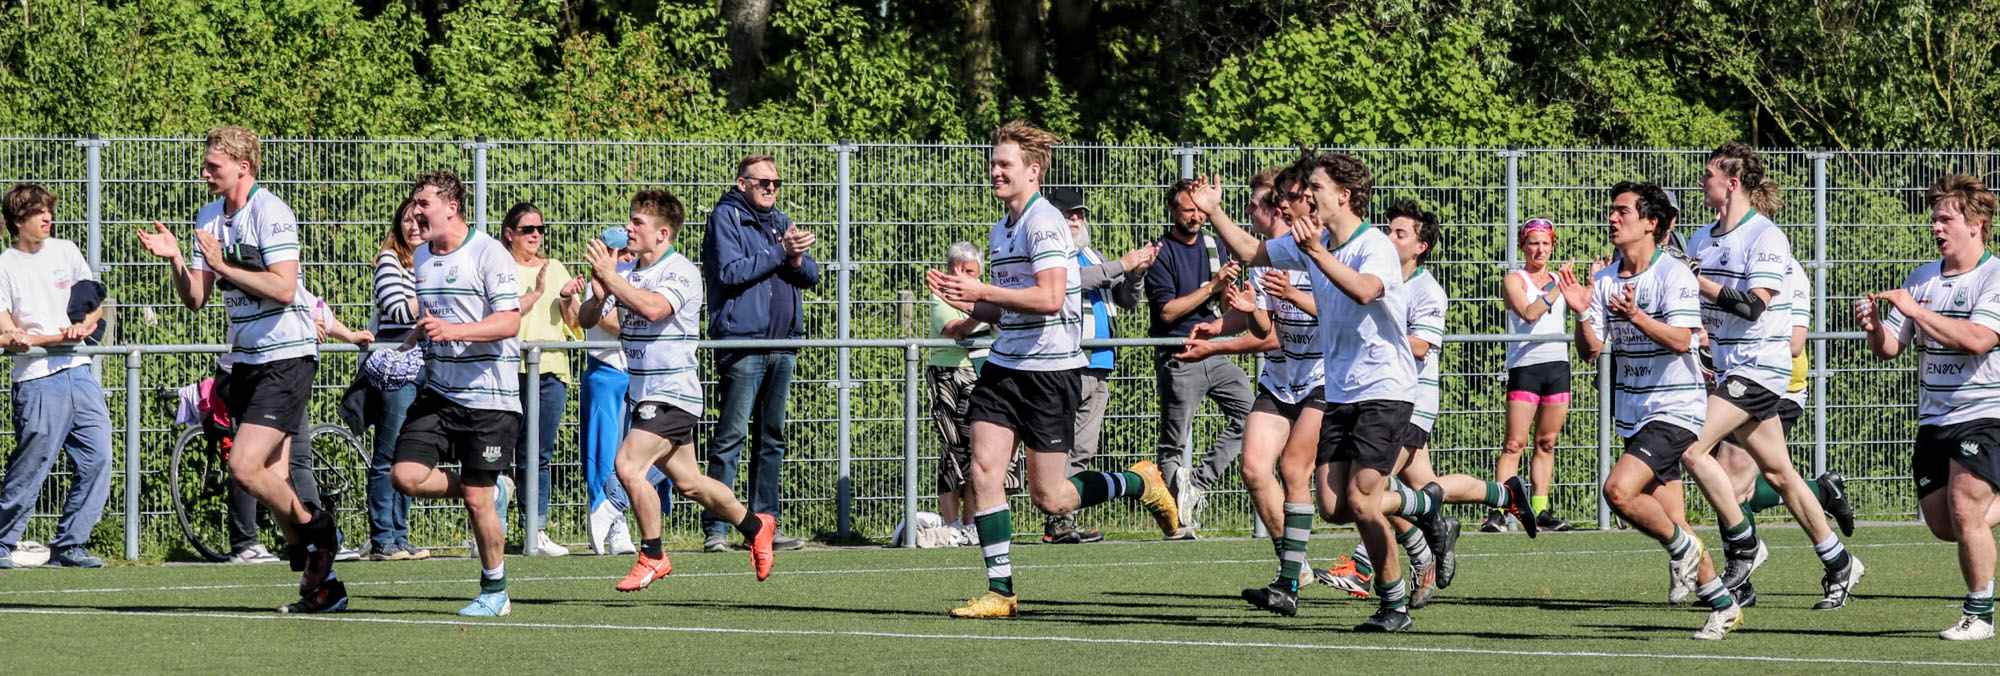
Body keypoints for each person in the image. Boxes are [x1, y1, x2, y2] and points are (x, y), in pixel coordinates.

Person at [926, 120, 1180, 618]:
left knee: (1053, 498)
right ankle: (1001, 592)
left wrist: (980, 291)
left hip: (1049, 373)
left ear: (1033, 172)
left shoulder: (1044, 223)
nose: (995, 171)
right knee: (983, 471)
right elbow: (1006, 310)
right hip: (1004, 367)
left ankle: (1139, 481)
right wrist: (966, 301)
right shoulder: (1001, 229)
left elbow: (1048, 297)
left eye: (1005, 164)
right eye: (993, 163)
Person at [1196, 154, 1450, 633]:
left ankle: (1393, 605)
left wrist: (1316, 253)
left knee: (1363, 501)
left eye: (1315, 187)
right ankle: (1424, 504)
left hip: (1385, 390)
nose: (1305, 195)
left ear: (1343, 196)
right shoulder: (1318, 243)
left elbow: (1365, 290)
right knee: (1334, 507)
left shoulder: (1372, 245)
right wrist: (1214, 211)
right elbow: (1252, 251)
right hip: (1341, 391)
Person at [135, 126, 345, 613]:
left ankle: (319, 532)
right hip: (246, 359)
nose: (205, 172)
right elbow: (196, 299)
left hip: (286, 356)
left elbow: (285, 289)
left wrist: (224, 266)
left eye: (214, 165)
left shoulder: (271, 212)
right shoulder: (208, 216)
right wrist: (176, 259)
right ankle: (325, 586)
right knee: (273, 475)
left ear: (242, 167)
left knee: (244, 467)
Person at [1677, 142, 1861, 610]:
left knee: (1691, 444)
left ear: (1732, 183)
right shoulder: (1700, 239)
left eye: (1708, 175)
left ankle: (1745, 544)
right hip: (1729, 368)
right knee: (1780, 474)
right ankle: (1839, 561)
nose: (1701, 181)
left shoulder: (1766, 237)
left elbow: (1752, 306)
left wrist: (1697, 281)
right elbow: (1696, 306)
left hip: (1760, 367)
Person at [1557, 180, 1743, 640]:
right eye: (1612, 210)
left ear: (1650, 223)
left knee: (1618, 492)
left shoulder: (1673, 274)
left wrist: (1637, 316)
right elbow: (1591, 351)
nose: (1612, 218)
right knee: (1674, 521)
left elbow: (1682, 339)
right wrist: (1580, 313)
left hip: (1675, 408)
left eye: (1622, 211)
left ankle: (1683, 550)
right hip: (1634, 411)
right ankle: (1723, 605)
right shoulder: (1604, 280)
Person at [586, 190, 776, 592]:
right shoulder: (627, 272)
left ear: (662, 233)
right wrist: (599, 289)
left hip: (672, 393)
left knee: (628, 467)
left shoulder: (680, 271)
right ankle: (755, 527)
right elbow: (585, 319)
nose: (628, 228)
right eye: (630, 219)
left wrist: (612, 278)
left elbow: (654, 309)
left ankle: (653, 554)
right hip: (645, 394)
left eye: (638, 222)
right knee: (691, 483)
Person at [1171, 166, 1328, 614]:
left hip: (1325, 378)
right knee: (1255, 470)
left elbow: (1277, 334)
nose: (1252, 209)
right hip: (1280, 381)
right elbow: (1260, 324)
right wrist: (1220, 325)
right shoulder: (1265, 258)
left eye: (1257, 203)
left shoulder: (1324, 249)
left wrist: (1217, 346)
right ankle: (1292, 570)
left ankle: (1420, 528)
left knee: (1340, 497)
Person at [1856, 174, 2000, 640]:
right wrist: (1874, 328)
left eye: (1946, 219)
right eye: (1934, 219)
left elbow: (1978, 340)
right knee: (1944, 523)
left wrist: (1916, 311)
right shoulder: (1921, 278)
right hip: (1935, 418)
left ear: (1976, 224)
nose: (1936, 227)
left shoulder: (1994, 277)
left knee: (1965, 508)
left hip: (1985, 413)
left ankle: (1979, 614)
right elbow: (1890, 349)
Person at [388, 170, 523, 617]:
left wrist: (453, 331)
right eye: (414, 203)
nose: (415, 211)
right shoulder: (422, 257)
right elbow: (437, 316)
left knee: (476, 500)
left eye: (423, 203)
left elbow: (509, 321)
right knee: (404, 476)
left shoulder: (489, 253)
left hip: (490, 399)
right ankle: (488, 489)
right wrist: (414, 337)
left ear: (452, 208)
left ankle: (495, 592)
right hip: (441, 393)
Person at [1712, 254, 1855, 605]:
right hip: (1736, 379)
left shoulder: (1785, 267)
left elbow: (1794, 344)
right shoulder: (1725, 253)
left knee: (1726, 478)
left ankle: (1742, 566)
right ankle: (1828, 519)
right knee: (1762, 478)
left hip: (1777, 386)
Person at [701, 154, 818, 553]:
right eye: (763, 182)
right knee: (730, 437)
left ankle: (765, 524)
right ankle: (717, 527)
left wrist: (796, 258)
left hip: (782, 345)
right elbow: (730, 273)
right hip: (743, 345)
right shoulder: (726, 219)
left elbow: (811, 276)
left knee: (772, 438)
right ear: (742, 183)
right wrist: (780, 252)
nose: (771, 188)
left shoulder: (782, 222)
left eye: (776, 183)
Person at [0, 184, 112, 570]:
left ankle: (69, 545)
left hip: (79, 371)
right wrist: (29, 338)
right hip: (36, 378)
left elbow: (95, 307)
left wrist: (84, 325)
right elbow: (7, 331)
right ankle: (2, 540)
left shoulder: (66, 251)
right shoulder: (6, 265)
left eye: (48, 210)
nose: (47, 217)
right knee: (32, 465)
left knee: (98, 457)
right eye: (38, 212)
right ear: (18, 221)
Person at [223, 284, 372, 563]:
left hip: (284, 372)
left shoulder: (283, 273)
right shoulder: (242, 276)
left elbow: (315, 307)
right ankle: (258, 541)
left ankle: (315, 542)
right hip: (247, 372)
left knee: (291, 462)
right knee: (247, 466)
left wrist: (350, 335)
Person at [1045, 187, 1156, 544]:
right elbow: (1075, 282)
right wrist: (1121, 265)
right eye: (1069, 214)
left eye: (1080, 213)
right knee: (1059, 447)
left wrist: (1136, 273)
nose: (1076, 219)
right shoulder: (1054, 254)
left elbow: (1126, 300)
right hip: (1069, 365)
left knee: (1083, 450)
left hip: (1100, 365)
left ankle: (1066, 519)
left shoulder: (1093, 254)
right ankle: (1057, 520)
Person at [1146, 178, 1255, 534]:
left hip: (1213, 349)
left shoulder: (1213, 243)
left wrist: (1231, 295)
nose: (1195, 216)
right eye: (1187, 210)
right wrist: (1212, 286)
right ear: (1172, 210)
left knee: (1252, 414)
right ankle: (1176, 521)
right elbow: (1167, 312)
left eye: (1200, 210)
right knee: (1173, 443)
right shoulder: (1161, 252)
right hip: (1179, 354)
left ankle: (1197, 482)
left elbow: (1224, 305)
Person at [569, 227, 673, 556]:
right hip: (607, 374)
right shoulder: (600, 284)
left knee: (656, 452)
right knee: (606, 454)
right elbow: (610, 323)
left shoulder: (636, 279)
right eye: (619, 253)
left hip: (638, 376)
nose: (627, 257)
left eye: (628, 251)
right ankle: (614, 523)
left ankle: (616, 510)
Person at [500, 202, 581, 557]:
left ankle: (536, 529)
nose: (535, 235)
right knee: (497, 453)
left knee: (538, 453)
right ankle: (492, 529)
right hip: (507, 370)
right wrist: (533, 294)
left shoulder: (556, 268)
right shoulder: (499, 267)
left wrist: (566, 297)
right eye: (527, 229)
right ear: (509, 234)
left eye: (540, 229)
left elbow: (575, 323)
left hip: (550, 371)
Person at [1490, 217, 1571, 534]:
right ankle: (1499, 511)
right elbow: (1529, 313)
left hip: (1557, 366)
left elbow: (1584, 306)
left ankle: (1539, 510)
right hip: (1525, 367)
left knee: (1547, 443)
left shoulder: (1561, 279)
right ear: (1523, 246)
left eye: (1545, 243)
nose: (1540, 249)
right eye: (1533, 243)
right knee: (1514, 443)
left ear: (1552, 247)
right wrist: (1559, 288)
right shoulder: (1515, 279)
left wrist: (1593, 283)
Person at [361, 197, 428, 561]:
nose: (414, 226)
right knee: (387, 453)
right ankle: (382, 537)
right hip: (397, 368)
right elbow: (399, 311)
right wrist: (433, 288)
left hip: (427, 366)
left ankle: (400, 535)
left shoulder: (433, 261)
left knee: (409, 455)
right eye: (407, 220)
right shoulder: (390, 260)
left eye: (421, 220)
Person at [928, 240, 999, 546]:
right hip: (947, 375)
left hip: (981, 374)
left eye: (971, 271)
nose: (965, 276)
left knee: (976, 453)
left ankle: (970, 524)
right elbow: (954, 330)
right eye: (959, 269)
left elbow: (1001, 328)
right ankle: (951, 523)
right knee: (951, 449)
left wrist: (989, 309)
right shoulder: (940, 293)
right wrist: (979, 313)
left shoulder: (985, 293)